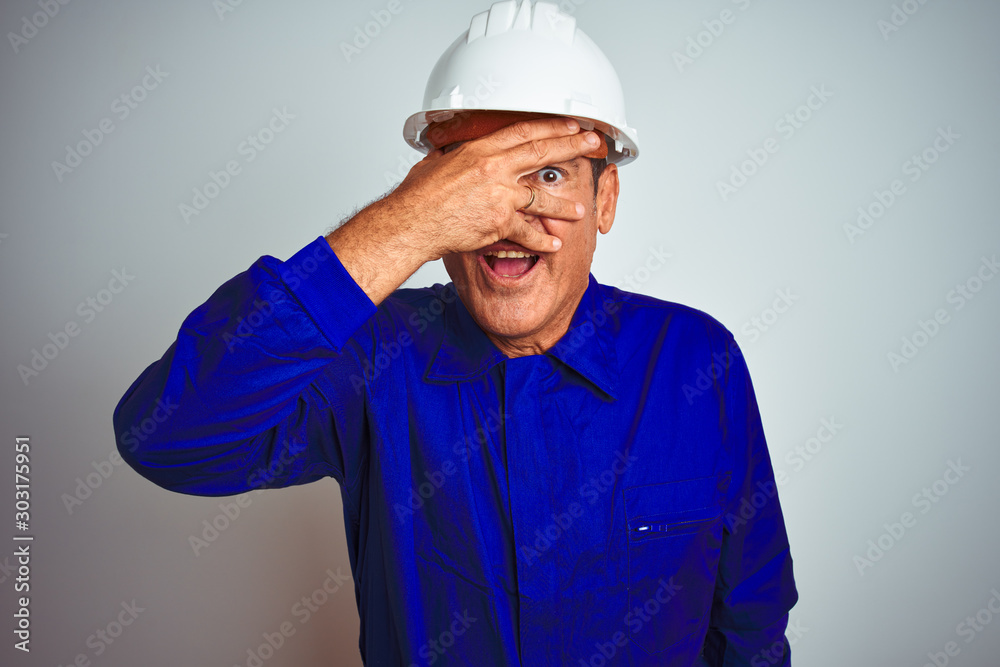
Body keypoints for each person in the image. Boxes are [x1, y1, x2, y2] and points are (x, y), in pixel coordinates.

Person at [113, 1, 797, 664]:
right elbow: (168, 438)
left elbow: (751, 620)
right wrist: (405, 225)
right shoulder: (373, 358)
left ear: (605, 198)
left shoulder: (696, 362)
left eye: (549, 174)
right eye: (473, 179)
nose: (507, 219)